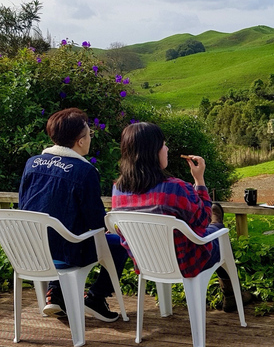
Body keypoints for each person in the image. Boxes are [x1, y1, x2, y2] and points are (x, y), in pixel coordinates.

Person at [111, 122, 251, 312]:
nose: (167, 149)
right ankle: (232, 294)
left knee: (213, 224)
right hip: (187, 262)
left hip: (146, 263)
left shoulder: (118, 190)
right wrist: (199, 180)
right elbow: (202, 222)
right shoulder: (175, 187)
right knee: (217, 229)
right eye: (163, 145)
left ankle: (231, 295)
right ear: (153, 152)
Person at [18, 107, 127, 322]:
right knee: (119, 244)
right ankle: (95, 297)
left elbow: (24, 205)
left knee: (59, 234)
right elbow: (95, 221)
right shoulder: (85, 171)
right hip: (67, 253)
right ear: (80, 141)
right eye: (89, 134)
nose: (90, 139)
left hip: (29, 251)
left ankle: (55, 292)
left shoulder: (31, 164)